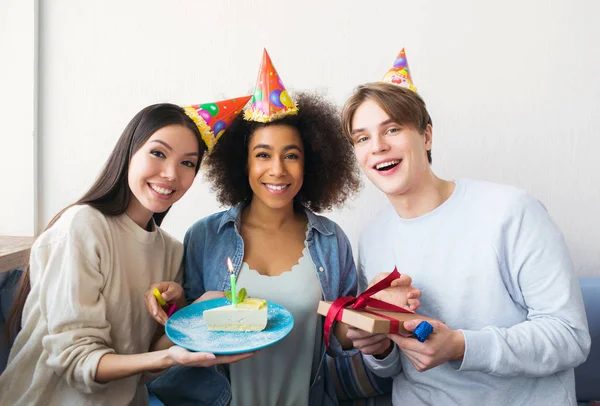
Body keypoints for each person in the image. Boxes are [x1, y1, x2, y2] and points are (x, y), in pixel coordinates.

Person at [147, 50, 421, 406]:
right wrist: (180, 305)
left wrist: (372, 312)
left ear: (311, 163)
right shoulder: (204, 236)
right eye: (262, 155)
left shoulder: (330, 240)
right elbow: (189, 335)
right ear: (242, 163)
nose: (277, 169)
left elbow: (339, 337)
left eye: (291, 155)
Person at [341, 49, 591, 405]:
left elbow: (570, 337)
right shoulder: (372, 237)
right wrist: (379, 348)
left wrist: (461, 346)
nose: (378, 146)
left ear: (426, 136)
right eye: (362, 138)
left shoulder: (511, 212)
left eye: (392, 129)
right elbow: (395, 368)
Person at [0, 102, 253, 406]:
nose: (171, 174)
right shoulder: (83, 226)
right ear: (129, 151)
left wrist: (192, 314)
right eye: (158, 153)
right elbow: (76, 364)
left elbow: (140, 369)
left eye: (188, 163)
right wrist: (166, 357)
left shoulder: (171, 251)